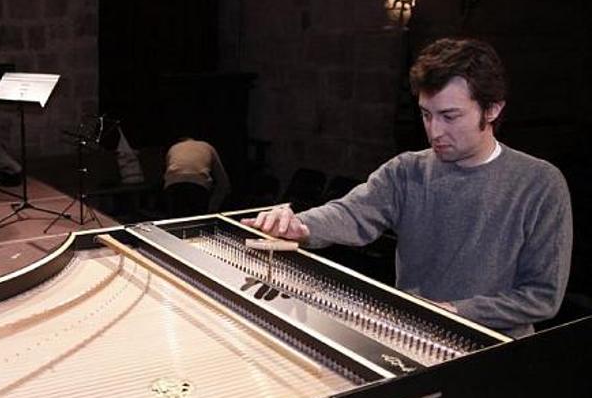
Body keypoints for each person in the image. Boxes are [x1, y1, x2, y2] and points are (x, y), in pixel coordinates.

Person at [242, 38, 572, 338]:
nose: (434, 131)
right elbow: (352, 213)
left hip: (495, 350)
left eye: (450, 116)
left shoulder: (540, 183)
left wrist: (456, 312)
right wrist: (301, 225)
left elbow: (542, 296)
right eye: (426, 115)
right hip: (414, 334)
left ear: (492, 109)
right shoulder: (408, 170)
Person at [164, 138, 230, 216]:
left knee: (176, 219)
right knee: (197, 220)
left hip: (174, 183)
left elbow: (166, 173)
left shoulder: (174, 147)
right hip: (199, 183)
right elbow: (223, 181)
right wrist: (213, 208)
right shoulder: (207, 146)